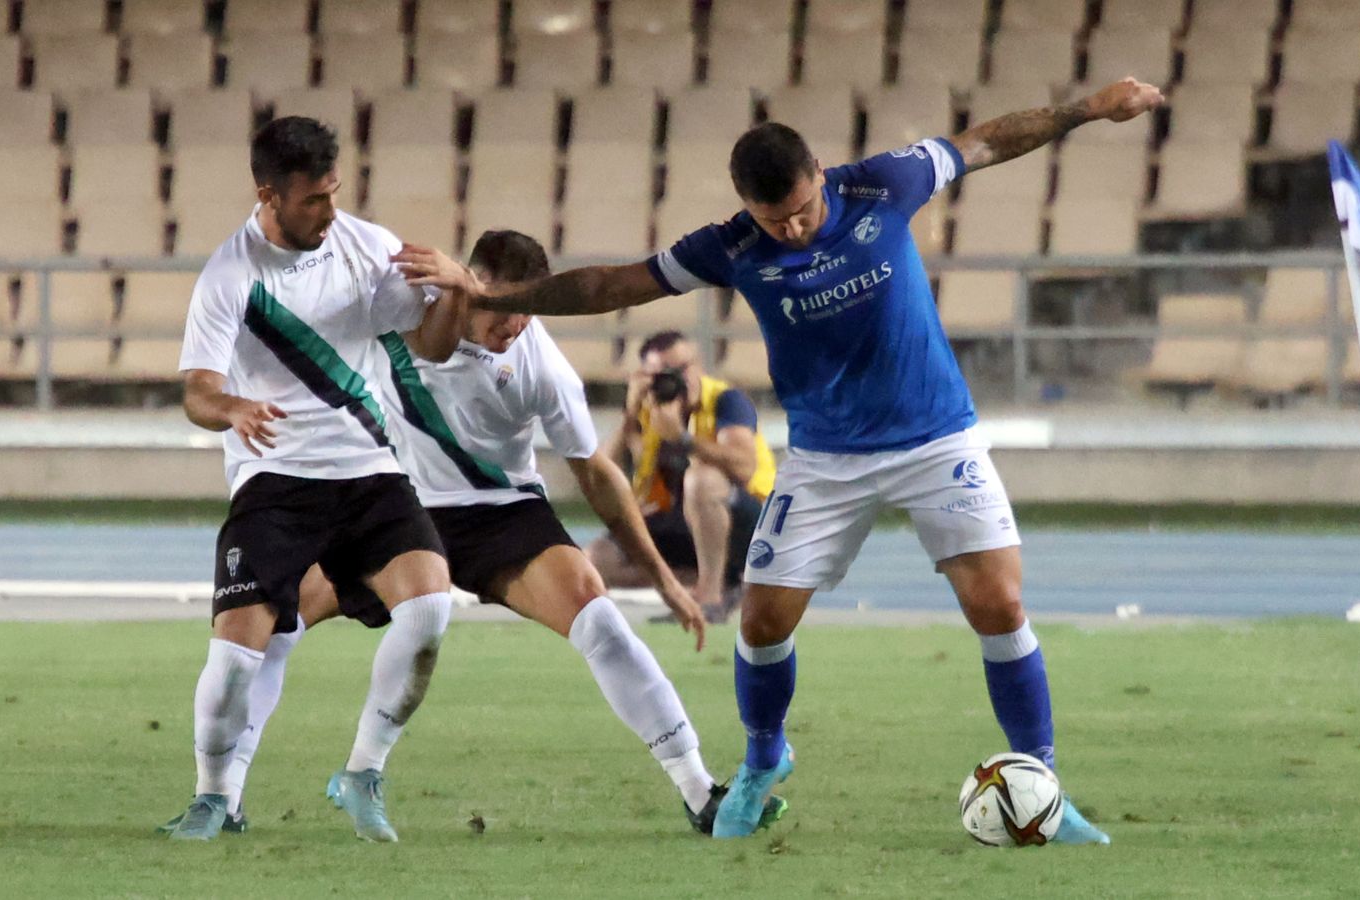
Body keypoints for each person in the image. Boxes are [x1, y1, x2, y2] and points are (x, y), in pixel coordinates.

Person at [405, 77, 1165, 842]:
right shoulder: (732, 245)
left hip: (935, 438)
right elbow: (612, 284)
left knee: (998, 605)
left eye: (803, 209)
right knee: (762, 620)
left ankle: (1043, 785)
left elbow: (988, 142)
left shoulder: (883, 185)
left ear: (819, 176)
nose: (794, 229)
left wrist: (1086, 109)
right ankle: (765, 758)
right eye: (776, 219)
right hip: (826, 458)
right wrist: (490, 297)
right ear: (749, 206)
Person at [216, 230, 787, 836]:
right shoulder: (398, 311)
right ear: (468, 287)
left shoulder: (543, 366)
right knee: (275, 620)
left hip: (499, 511)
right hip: (393, 504)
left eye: (529, 308)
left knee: (599, 618)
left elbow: (595, 472)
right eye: (503, 305)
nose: (515, 324)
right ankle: (223, 797)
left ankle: (700, 792)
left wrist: (666, 581)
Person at [163, 116, 468, 842]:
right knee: (236, 660)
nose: (330, 211)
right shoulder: (230, 275)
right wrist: (233, 407)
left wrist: (456, 291)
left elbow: (431, 345)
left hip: (368, 469)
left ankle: (363, 771)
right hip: (275, 478)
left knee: (430, 607)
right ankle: (214, 798)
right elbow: (197, 391)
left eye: (334, 193)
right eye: (313, 200)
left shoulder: (366, 245)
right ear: (268, 195)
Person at [586, 330, 777, 623]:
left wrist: (682, 438)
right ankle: (707, 584)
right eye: (664, 374)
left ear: (698, 366)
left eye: (682, 369)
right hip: (680, 523)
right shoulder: (649, 409)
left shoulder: (726, 401)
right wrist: (629, 412)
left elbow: (744, 467)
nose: (677, 380)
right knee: (595, 561)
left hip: (745, 519)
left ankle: (709, 600)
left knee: (702, 480)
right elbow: (598, 476)